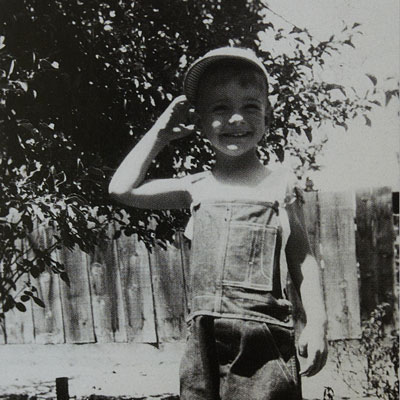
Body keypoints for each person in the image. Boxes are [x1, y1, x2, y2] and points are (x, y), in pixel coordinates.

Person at [109, 46, 328, 400]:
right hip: (205, 345)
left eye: (250, 106)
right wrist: (160, 133)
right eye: (220, 107)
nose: (236, 119)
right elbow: (121, 188)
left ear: (268, 118)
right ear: (198, 122)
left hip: (264, 345)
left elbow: (303, 261)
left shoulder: (281, 184)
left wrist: (316, 323)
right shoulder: (196, 187)